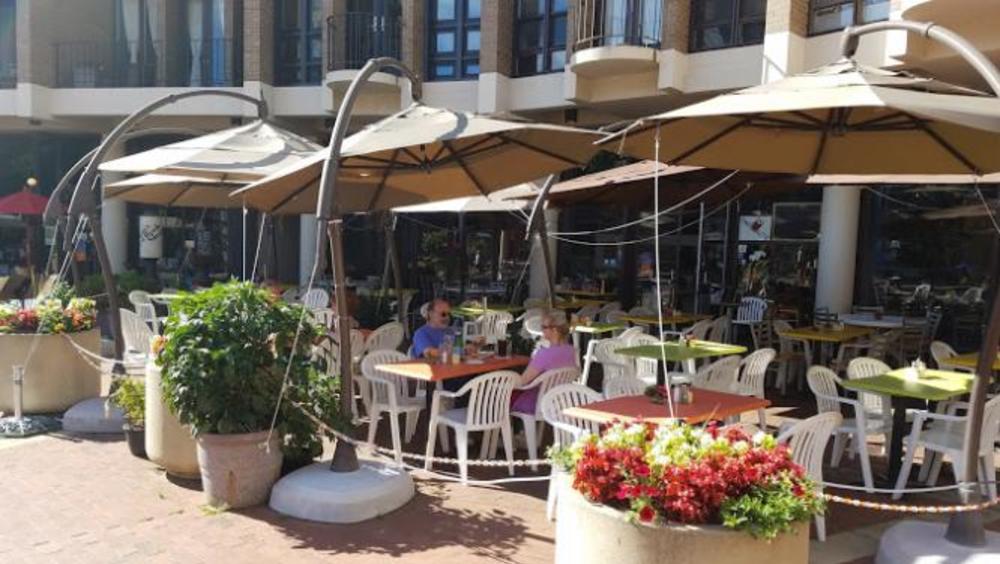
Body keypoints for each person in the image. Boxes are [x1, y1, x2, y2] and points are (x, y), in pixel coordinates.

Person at [511, 312, 576, 414]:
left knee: (498, 397)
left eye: (544, 327)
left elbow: (522, 381)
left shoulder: (544, 354)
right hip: (560, 399)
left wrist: (499, 385)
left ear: (555, 330)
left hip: (540, 401)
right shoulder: (571, 351)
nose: (541, 330)